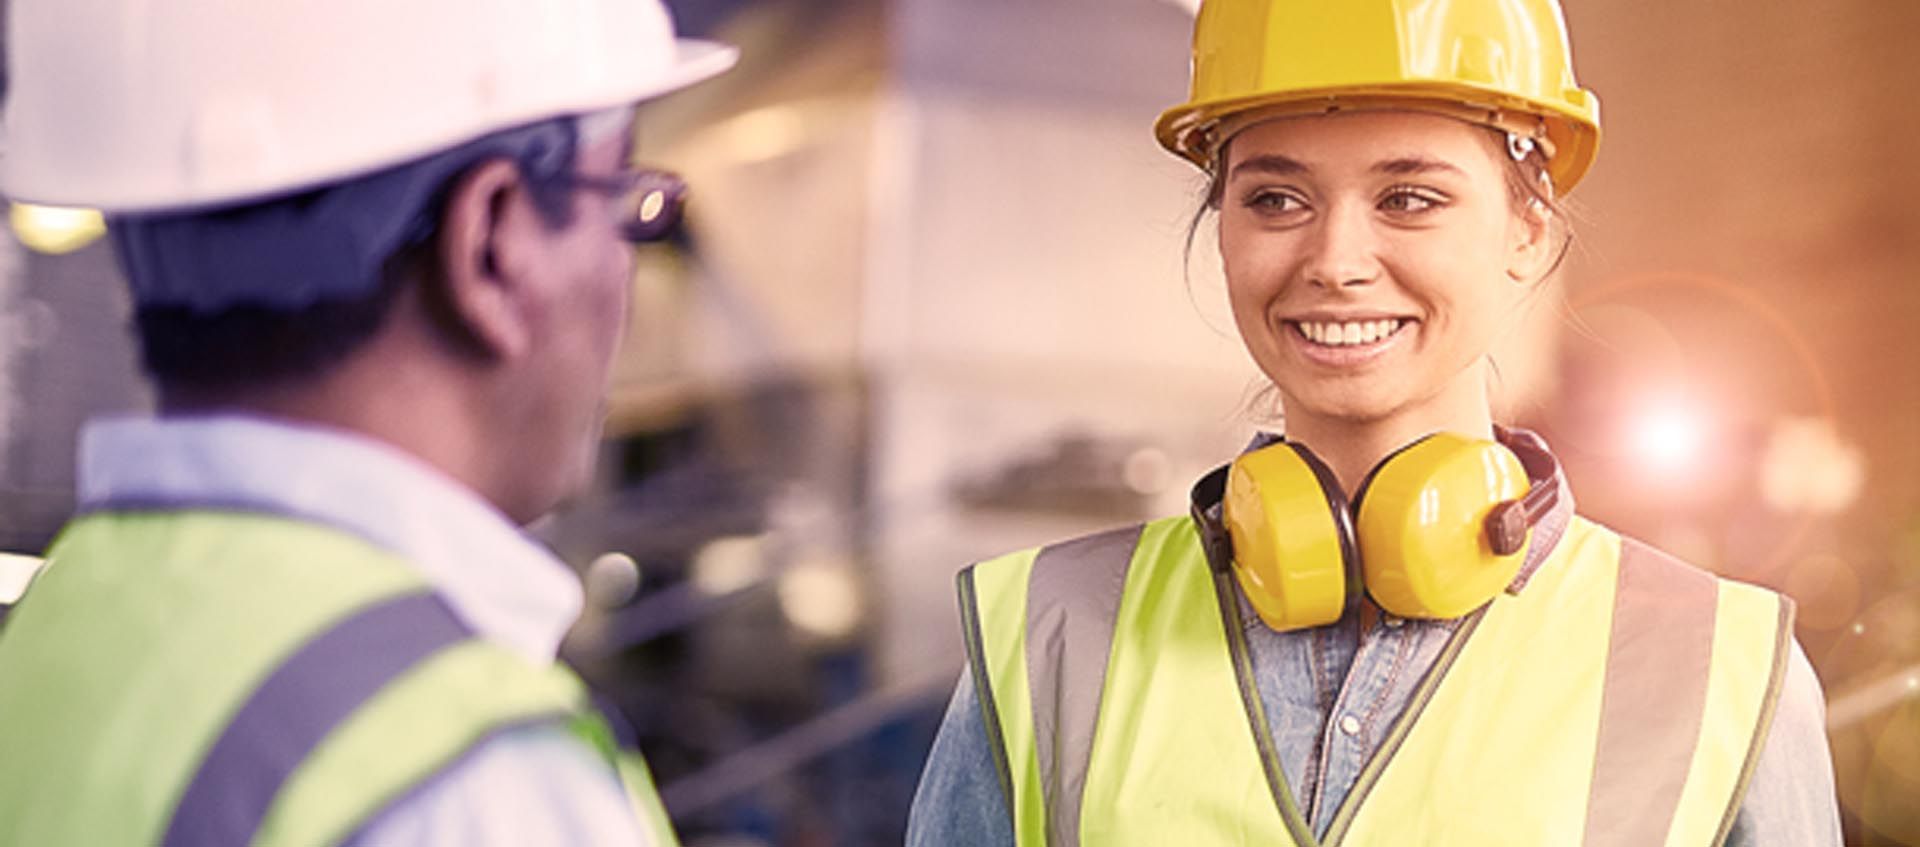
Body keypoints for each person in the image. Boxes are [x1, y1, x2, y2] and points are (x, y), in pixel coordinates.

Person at [906, 1, 1843, 845]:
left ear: (1529, 229)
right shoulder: (1047, 640)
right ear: (1221, 224)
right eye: (1276, 198)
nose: (1336, 260)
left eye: (1409, 198)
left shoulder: (1717, 671)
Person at [0, 1, 734, 844]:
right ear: (491, 244)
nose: (627, 286)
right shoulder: (474, 785)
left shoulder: (57, 640)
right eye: (627, 202)